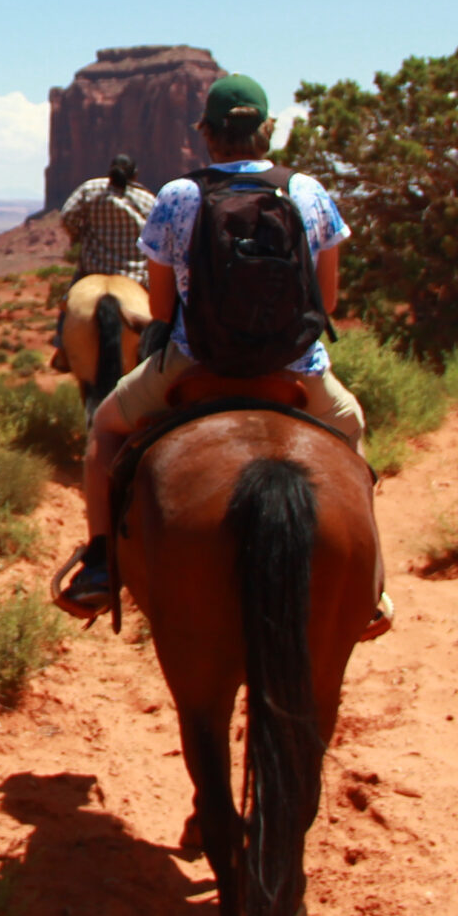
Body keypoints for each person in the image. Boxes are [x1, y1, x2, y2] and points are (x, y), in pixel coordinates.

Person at [53, 72, 388, 633]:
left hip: (196, 363)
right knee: (351, 431)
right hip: (297, 370)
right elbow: (326, 301)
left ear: (206, 133)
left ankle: (102, 565)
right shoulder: (308, 192)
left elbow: (161, 308)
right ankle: (370, 585)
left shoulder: (177, 196)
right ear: (267, 131)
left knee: (105, 432)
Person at [49, 152, 156, 373]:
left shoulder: (91, 189)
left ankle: (62, 347)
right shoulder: (147, 199)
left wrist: (79, 234)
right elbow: (156, 234)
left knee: (68, 303)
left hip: (92, 269)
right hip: (135, 276)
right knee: (160, 311)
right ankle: (159, 349)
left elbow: (67, 216)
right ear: (135, 175)